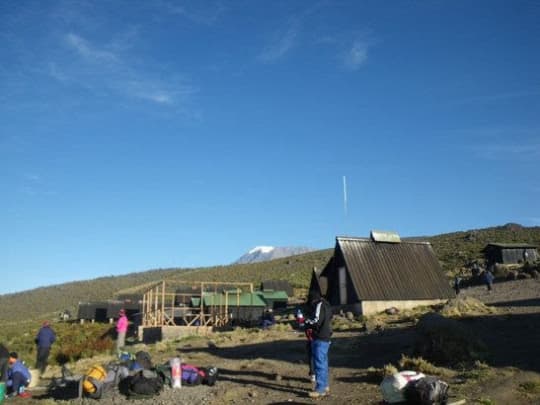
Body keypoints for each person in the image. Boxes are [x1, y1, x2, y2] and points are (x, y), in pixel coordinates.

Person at [304, 290, 333, 399]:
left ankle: (320, 389)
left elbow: (316, 320)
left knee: (319, 363)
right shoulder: (327, 305)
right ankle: (325, 386)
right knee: (323, 362)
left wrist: (305, 322)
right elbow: (329, 318)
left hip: (319, 337)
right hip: (326, 337)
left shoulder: (319, 305)